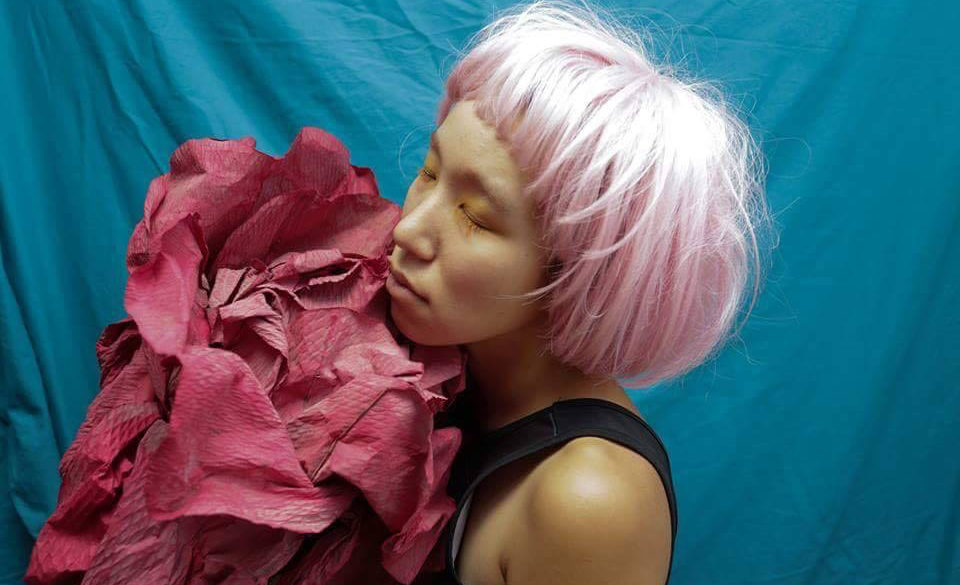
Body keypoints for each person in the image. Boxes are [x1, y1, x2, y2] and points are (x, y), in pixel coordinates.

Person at [387, 1, 776, 584]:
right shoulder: (433, 372)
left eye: (476, 217)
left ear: (580, 271)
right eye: (429, 172)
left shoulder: (587, 498)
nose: (408, 231)